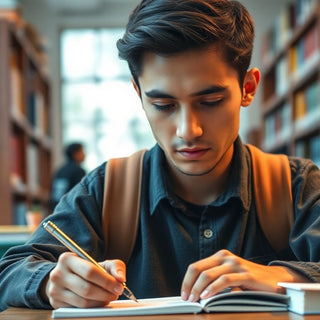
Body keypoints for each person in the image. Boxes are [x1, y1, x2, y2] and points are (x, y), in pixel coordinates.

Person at [0, 0, 320, 311]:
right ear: (139, 94)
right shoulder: (105, 190)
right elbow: (10, 272)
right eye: (164, 106)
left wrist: (281, 277)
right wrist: (51, 281)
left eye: (210, 100)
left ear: (248, 88)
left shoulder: (297, 186)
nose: (187, 130)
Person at [49, 142, 86, 210]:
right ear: (75, 154)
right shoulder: (78, 171)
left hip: (56, 209)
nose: (85, 155)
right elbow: (82, 194)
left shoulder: (60, 170)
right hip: (71, 210)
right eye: (82, 151)